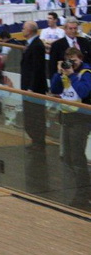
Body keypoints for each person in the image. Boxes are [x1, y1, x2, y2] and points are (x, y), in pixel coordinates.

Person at [49, 48, 91, 208]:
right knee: (67, 157)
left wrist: (72, 74)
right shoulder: (66, 72)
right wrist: (59, 73)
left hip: (81, 119)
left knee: (77, 158)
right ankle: (86, 188)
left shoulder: (86, 73)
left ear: (80, 59)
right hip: (66, 117)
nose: (71, 63)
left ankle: (83, 196)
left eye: (74, 60)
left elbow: (83, 91)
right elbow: (55, 89)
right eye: (69, 60)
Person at [19, 21, 49, 151]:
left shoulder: (37, 45)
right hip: (28, 87)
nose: (22, 29)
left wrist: (31, 88)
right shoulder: (31, 44)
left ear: (30, 30)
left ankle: (38, 141)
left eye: (24, 28)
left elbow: (37, 69)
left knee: (35, 116)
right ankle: (35, 140)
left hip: (34, 89)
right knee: (30, 116)